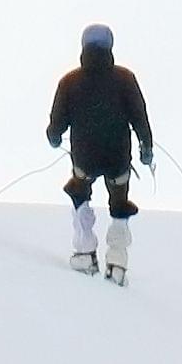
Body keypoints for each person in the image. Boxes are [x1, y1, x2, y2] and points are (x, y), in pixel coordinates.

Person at [45, 22, 154, 283]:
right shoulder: (125, 78)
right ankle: (117, 261)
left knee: (79, 192)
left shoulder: (69, 81)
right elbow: (140, 117)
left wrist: (54, 136)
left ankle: (85, 252)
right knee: (119, 203)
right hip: (118, 157)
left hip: (84, 157)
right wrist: (146, 148)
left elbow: (56, 125)